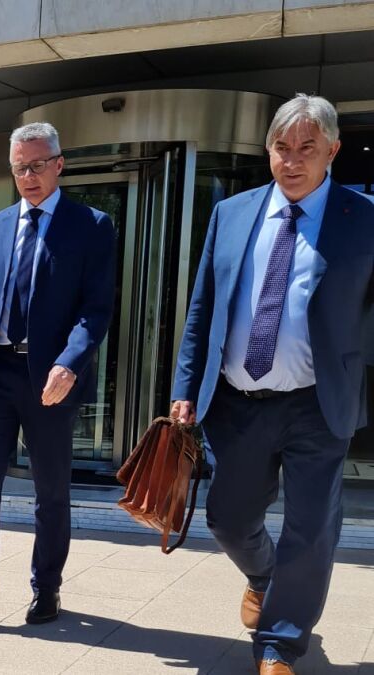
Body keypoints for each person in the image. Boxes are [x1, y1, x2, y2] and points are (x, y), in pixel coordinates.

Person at [171, 94, 374, 675]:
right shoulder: (231, 213)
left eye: (307, 148)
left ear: (333, 151)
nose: (292, 160)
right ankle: (264, 577)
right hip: (237, 402)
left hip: (318, 402)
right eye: (281, 147)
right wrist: (186, 385)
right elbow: (203, 308)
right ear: (267, 151)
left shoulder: (363, 219)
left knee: (311, 529)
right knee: (227, 519)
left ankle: (279, 644)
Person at [0, 122, 116, 631]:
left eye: (37, 166)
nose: (28, 177)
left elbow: (96, 309)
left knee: (50, 491)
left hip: (50, 378)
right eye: (19, 169)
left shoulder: (91, 225)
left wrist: (70, 362)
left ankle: (46, 587)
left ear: (59, 164)